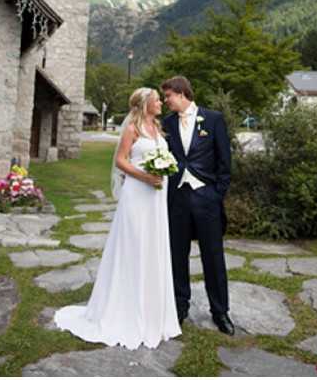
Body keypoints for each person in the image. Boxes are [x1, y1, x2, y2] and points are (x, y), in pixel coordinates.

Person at [54, 87, 181, 349]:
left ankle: (152, 312)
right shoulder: (132, 129)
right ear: (145, 103)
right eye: (157, 100)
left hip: (156, 196)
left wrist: (164, 169)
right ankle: (124, 308)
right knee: (133, 247)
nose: (161, 103)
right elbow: (121, 161)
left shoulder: (158, 127)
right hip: (137, 193)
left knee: (153, 247)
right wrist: (145, 176)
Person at [161, 76, 234, 335]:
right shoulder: (166, 123)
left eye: (168, 96)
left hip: (207, 199)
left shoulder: (212, 119)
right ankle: (180, 306)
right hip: (177, 199)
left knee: (213, 257)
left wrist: (216, 194)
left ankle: (220, 311)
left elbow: (225, 161)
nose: (165, 101)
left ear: (181, 93)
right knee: (177, 255)